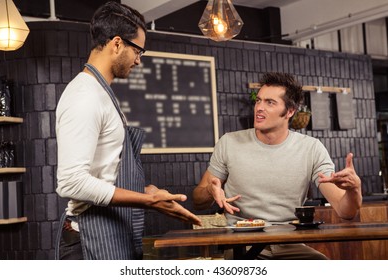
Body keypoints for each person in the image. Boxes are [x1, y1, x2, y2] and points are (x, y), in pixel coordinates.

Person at [55, 1, 201, 260]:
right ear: (118, 44)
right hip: (89, 239)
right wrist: (148, 202)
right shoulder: (84, 96)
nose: (139, 61)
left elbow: (104, 173)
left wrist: (146, 192)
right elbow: (71, 182)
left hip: (110, 231)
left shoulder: (102, 94)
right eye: (138, 51)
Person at [193, 72, 362, 260]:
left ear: (290, 111)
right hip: (242, 243)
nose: (259, 108)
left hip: (288, 243)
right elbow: (198, 201)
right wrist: (210, 190)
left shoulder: (311, 148)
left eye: (270, 103)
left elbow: (345, 211)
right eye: (258, 101)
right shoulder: (229, 143)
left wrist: (354, 190)